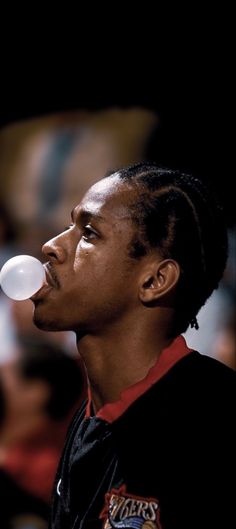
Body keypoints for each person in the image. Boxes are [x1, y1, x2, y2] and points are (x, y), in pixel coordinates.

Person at [31, 162, 235, 529]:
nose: (52, 246)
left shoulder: (217, 427)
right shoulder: (92, 415)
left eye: (89, 233)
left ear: (155, 280)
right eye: (69, 225)